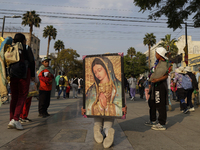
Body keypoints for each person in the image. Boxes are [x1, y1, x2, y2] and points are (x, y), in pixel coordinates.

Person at [82, 57, 127, 148]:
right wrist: (85, 108)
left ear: (107, 68)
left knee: (105, 123)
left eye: (99, 70)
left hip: (109, 110)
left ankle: (106, 132)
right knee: (100, 123)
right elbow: (88, 103)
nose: (97, 74)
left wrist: (120, 106)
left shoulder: (117, 86)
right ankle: (101, 131)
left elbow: (120, 99)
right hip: (98, 111)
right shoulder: (93, 88)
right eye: (95, 72)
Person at [8, 33, 35, 130]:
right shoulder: (26, 48)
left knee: (14, 97)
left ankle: (11, 119)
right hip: (24, 74)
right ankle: (16, 119)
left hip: (12, 74)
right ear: (24, 40)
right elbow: (32, 61)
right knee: (22, 95)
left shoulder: (11, 47)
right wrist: (32, 75)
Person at [145, 47, 171, 131]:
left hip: (159, 85)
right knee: (152, 102)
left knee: (160, 104)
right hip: (154, 85)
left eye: (156, 53)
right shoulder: (158, 63)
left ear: (160, 55)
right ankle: (153, 120)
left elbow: (165, 75)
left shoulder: (164, 63)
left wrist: (156, 80)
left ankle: (162, 123)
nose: (155, 55)